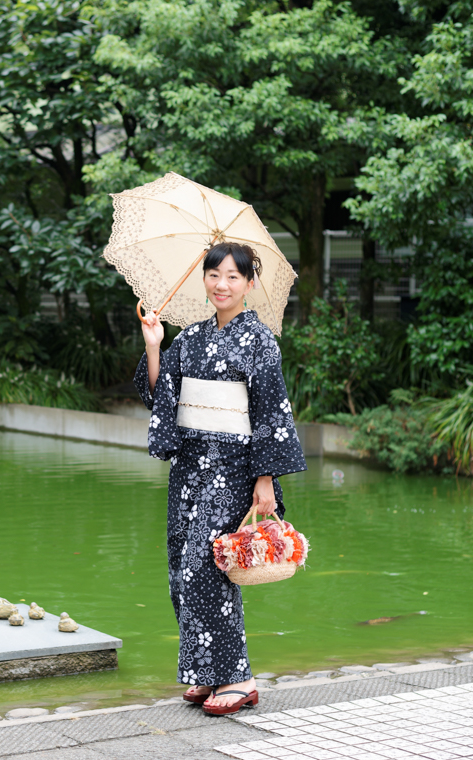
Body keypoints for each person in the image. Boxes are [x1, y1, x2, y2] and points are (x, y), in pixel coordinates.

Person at [134, 241, 307, 716]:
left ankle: (238, 677)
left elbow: (271, 412)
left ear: (250, 284)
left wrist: (265, 479)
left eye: (234, 276)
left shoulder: (259, 340)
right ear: (204, 279)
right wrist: (154, 344)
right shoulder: (189, 338)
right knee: (180, 568)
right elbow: (161, 397)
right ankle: (205, 672)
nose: (222, 284)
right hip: (189, 467)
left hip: (233, 469)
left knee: (206, 569)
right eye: (214, 275)